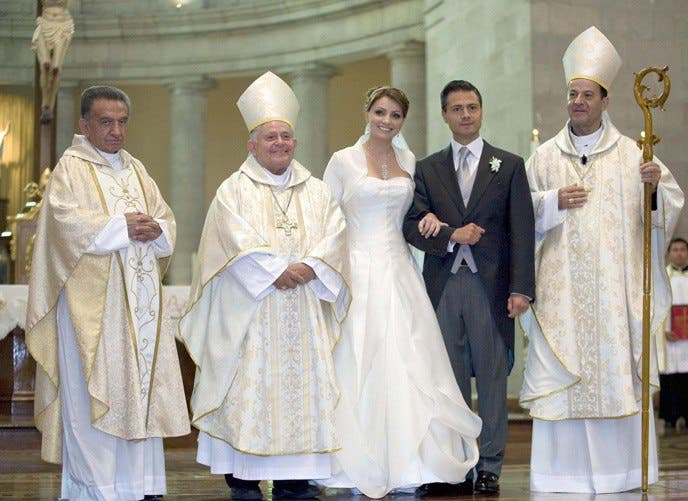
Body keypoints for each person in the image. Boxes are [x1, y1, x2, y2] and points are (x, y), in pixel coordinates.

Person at [520, 26, 685, 493]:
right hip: (561, 302)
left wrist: (653, 190)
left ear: (605, 101)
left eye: (587, 94)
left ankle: (622, 474)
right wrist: (550, 201)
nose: (578, 101)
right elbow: (517, 215)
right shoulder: (544, 159)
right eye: (572, 94)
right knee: (564, 380)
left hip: (616, 300)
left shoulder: (634, 154)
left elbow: (666, 208)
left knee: (616, 378)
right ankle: (562, 477)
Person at [179, 71, 350, 501]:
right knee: (249, 391)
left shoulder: (317, 191)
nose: (280, 143)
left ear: (296, 142)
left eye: (286, 136)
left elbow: (335, 234)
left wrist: (309, 267)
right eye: (270, 137)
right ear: (251, 145)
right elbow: (231, 239)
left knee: (301, 394)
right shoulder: (232, 191)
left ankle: (296, 479)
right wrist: (275, 270)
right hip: (251, 312)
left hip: (304, 309)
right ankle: (243, 479)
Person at [25, 85, 190, 499]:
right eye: (105, 122)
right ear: (85, 125)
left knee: (137, 395)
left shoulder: (137, 170)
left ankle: (139, 485)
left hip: (139, 307)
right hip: (91, 311)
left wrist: (157, 230)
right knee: (91, 397)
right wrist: (122, 227)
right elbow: (63, 225)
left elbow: (165, 221)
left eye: (122, 122)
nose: (116, 131)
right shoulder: (70, 169)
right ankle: (96, 489)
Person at [321, 86, 481, 498]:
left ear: (402, 121)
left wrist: (431, 219)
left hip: (401, 268)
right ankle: (356, 459)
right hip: (359, 269)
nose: (386, 121)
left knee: (411, 357)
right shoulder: (343, 161)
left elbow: (418, 214)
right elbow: (325, 218)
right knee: (362, 356)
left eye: (395, 115)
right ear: (367, 112)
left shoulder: (409, 161)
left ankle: (414, 462)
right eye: (380, 112)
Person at [403, 80, 535, 494]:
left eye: (472, 107)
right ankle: (458, 463)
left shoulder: (508, 165)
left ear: (481, 111)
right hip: (443, 285)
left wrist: (521, 288)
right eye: (457, 108)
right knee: (449, 378)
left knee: (493, 378)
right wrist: (448, 235)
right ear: (444, 115)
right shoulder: (427, 169)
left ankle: (490, 464)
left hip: (490, 286)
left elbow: (522, 231)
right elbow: (412, 226)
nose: (465, 114)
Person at [658, 237, 688, 431]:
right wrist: (664, 330)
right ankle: (670, 417)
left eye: (683, 249)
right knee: (671, 377)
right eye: (675, 249)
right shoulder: (662, 277)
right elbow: (656, 308)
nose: (679, 253)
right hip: (670, 338)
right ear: (669, 254)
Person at [31, 0, 74, 122]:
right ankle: (45, 104)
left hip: (63, 26)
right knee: (45, 66)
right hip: (44, 24)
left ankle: (50, 104)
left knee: (56, 69)